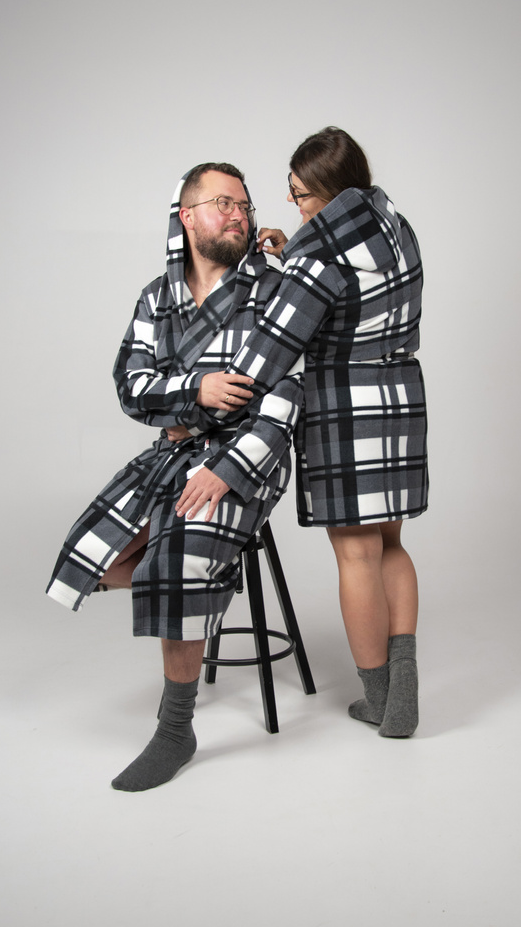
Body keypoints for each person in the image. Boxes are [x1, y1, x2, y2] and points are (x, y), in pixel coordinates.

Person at [47, 163, 303, 792]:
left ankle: (175, 730)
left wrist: (230, 467)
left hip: (248, 453)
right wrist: (197, 389)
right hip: (173, 450)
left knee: (179, 559)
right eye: (223, 204)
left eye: (244, 205)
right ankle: (207, 582)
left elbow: (289, 392)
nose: (239, 214)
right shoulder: (154, 298)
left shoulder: (275, 288)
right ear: (186, 216)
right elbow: (132, 388)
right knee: (91, 556)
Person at [185, 128, 428, 738]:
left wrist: (202, 399)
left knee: (355, 553)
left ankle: (380, 698)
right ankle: (405, 690)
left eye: (299, 194)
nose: (294, 204)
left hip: (344, 407)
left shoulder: (316, 257)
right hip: (399, 398)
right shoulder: (393, 223)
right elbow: (359, 290)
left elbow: (271, 351)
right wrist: (294, 251)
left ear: (326, 189)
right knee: (390, 545)